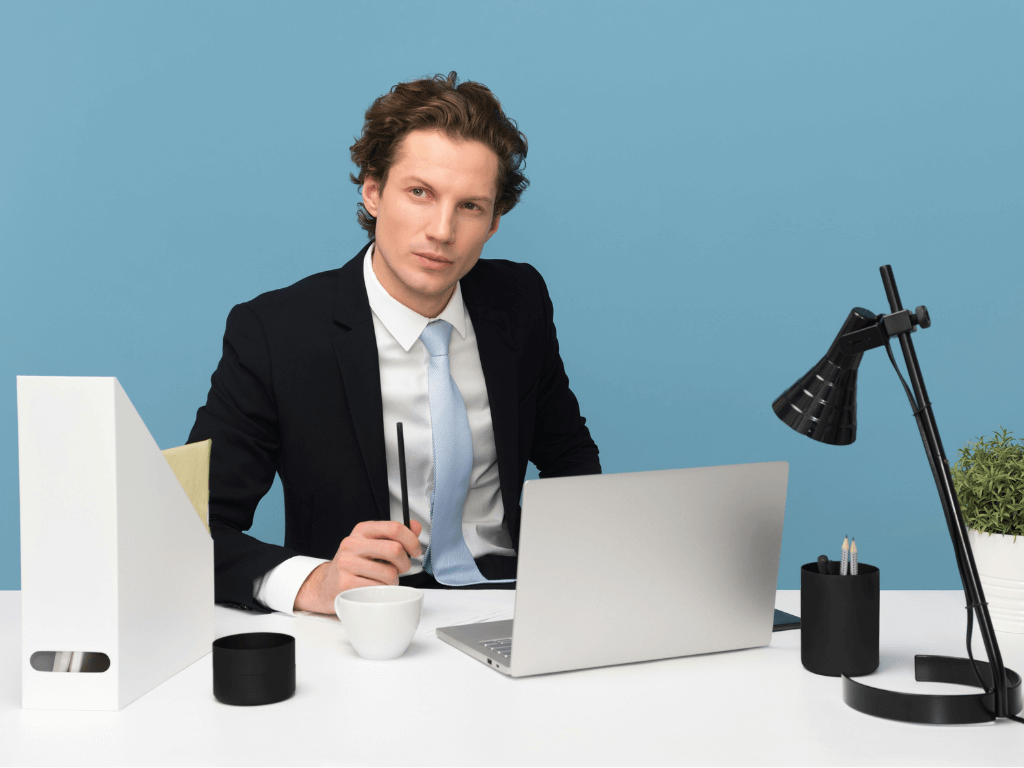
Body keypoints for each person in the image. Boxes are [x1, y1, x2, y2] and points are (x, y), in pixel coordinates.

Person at [188, 72, 601, 615]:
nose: (442, 230)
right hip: (363, 619)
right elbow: (190, 530)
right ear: (374, 192)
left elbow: (569, 453)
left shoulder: (519, 301)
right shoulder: (274, 332)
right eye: (420, 193)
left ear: (495, 222)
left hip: (513, 604)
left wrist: (575, 571)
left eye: (471, 206)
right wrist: (315, 583)